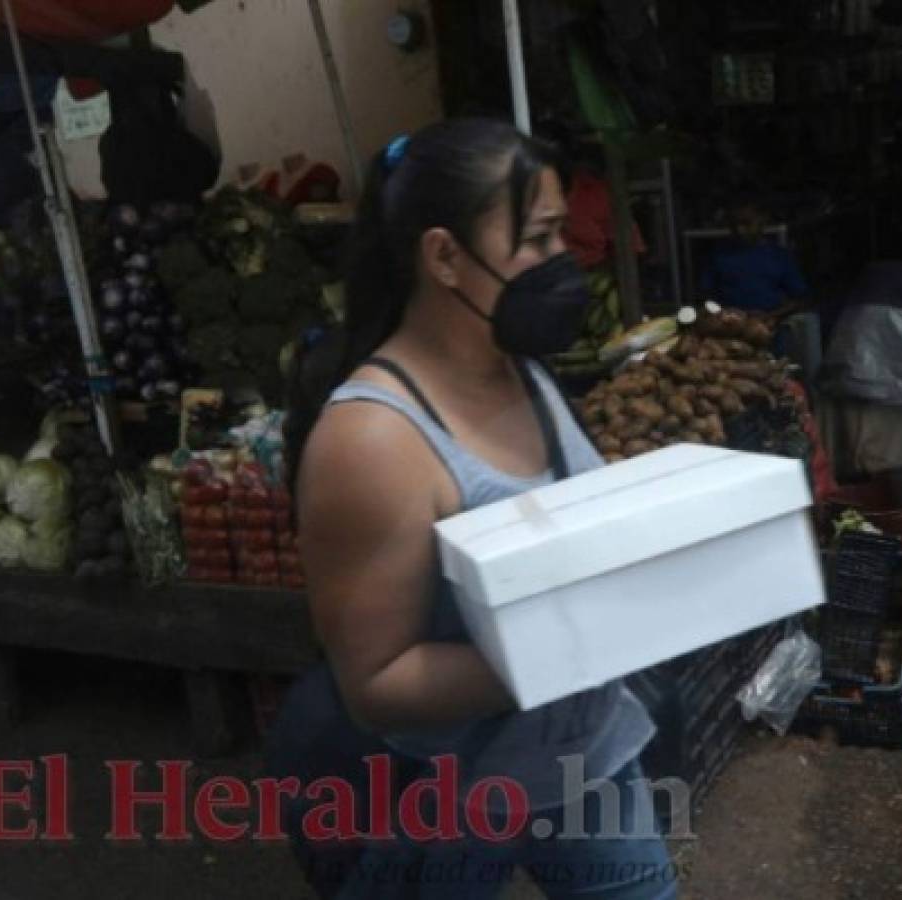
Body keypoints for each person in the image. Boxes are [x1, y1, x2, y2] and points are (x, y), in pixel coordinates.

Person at [277, 118, 671, 899]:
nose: (563, 262)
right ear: (444, 256)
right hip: (440, 798)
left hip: (580, 758)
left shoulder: (525, 373)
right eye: (537, 238)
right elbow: (377, 682)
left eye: (561, 235)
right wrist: (575, 647)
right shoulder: (372, 443)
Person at [699, 192, 809, 321]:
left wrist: (770, 316)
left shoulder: (779, 257)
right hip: (729, 327)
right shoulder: (719, 256)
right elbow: (706, 297)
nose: (739, 230)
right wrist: (723, 315)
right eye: (734, 225)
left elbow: (800, 300)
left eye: (746, 224)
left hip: (770, 326)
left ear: (762, 220)